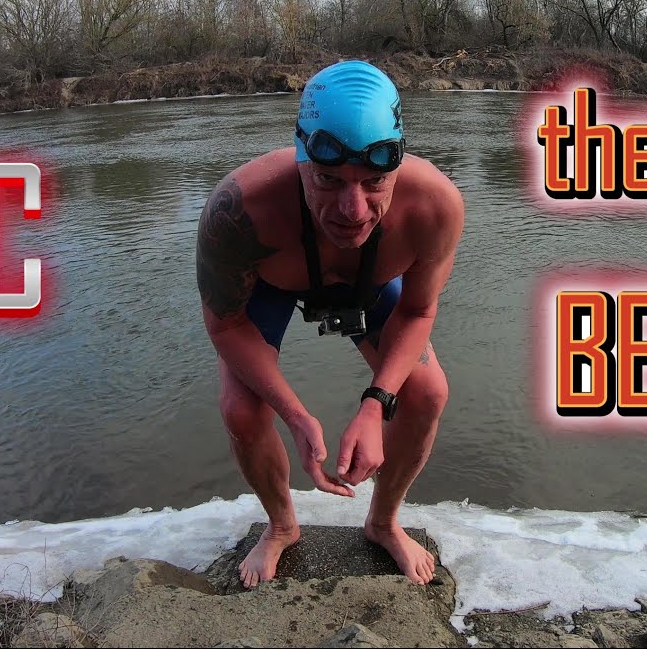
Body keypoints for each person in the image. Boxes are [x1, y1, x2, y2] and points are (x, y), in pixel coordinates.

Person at [196, 60, 465, 589]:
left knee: (428, 392)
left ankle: (384, 522)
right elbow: (226, 325)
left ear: (399, 162)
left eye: (374, 182)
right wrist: (295, 416)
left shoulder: (435, 206)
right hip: (272, 285)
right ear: (299, 158)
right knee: (241, 408)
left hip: (366, 284)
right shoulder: (238, 210)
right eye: (328, 179)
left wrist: (375, 403)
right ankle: (281, 526)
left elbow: (417, 310)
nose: (352, 209)